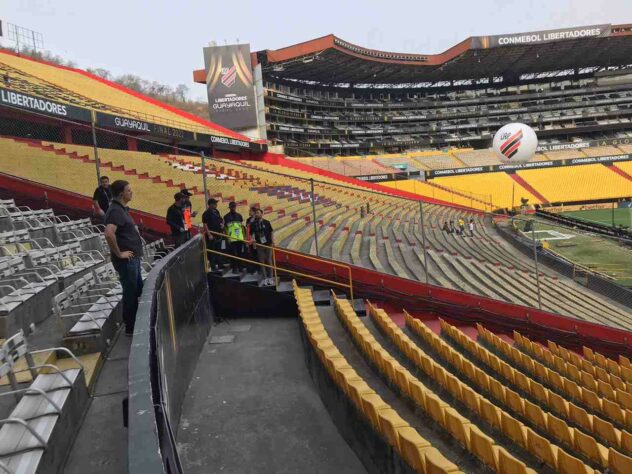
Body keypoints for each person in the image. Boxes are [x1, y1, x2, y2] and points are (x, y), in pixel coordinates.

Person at [104, 180, 144, 336]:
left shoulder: (121, 209)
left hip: (132, 260)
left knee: (136, 290)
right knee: (131, 293)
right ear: (121, 193)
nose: (131, 192)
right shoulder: (115, 210)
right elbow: (109, 233)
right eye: (129, 190)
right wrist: (120, 253)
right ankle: (131, 327)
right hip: (127, 261)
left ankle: (134, 324)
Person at [251, 208, 274, 286]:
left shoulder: (267, 222)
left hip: (268, 244)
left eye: (258, 213)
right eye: (256, 213)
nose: (256, 214)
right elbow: (252, 234)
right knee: (262, 262)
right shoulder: (253, 224)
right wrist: (253, 240)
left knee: (269, 261)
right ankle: (265, 278)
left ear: (262, 214)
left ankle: (270, 278)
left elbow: (271, 232)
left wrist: (272, 241)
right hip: (259, 245)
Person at [202, 198, 224, 271]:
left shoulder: (217, 211)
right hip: (212, 235)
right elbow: (205, 224)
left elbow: (221, 219)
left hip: (218, 233)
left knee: (218, 250)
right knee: (212, 251)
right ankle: (213, 266)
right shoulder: (206, 213)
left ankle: (220, 264)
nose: (216, 205)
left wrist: (222, 224)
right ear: (210, 204)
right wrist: (209, 234)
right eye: (214, 203)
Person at [224, 201, 245, 273]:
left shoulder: (239, 216)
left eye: (234, 206)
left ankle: (240, 267)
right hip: (232, 239)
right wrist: (228, 238)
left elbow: (242, 227)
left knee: (240, 254)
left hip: (240, 238)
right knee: (233, 254)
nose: (233, 208)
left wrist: (244, 237)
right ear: (229, 207)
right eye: (232, 206)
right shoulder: (226, 216)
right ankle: (234, 268)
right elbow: (225, 228)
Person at [245, 206, 259, 274]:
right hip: (250, 240)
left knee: (257, 255)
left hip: (256, 240)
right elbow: (247, 228)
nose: (249, 212)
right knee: (252, 255)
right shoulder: (248, 219)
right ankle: (253, 269)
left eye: (250, 211)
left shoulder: (257, 219)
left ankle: (258, 269)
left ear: (253, 212)